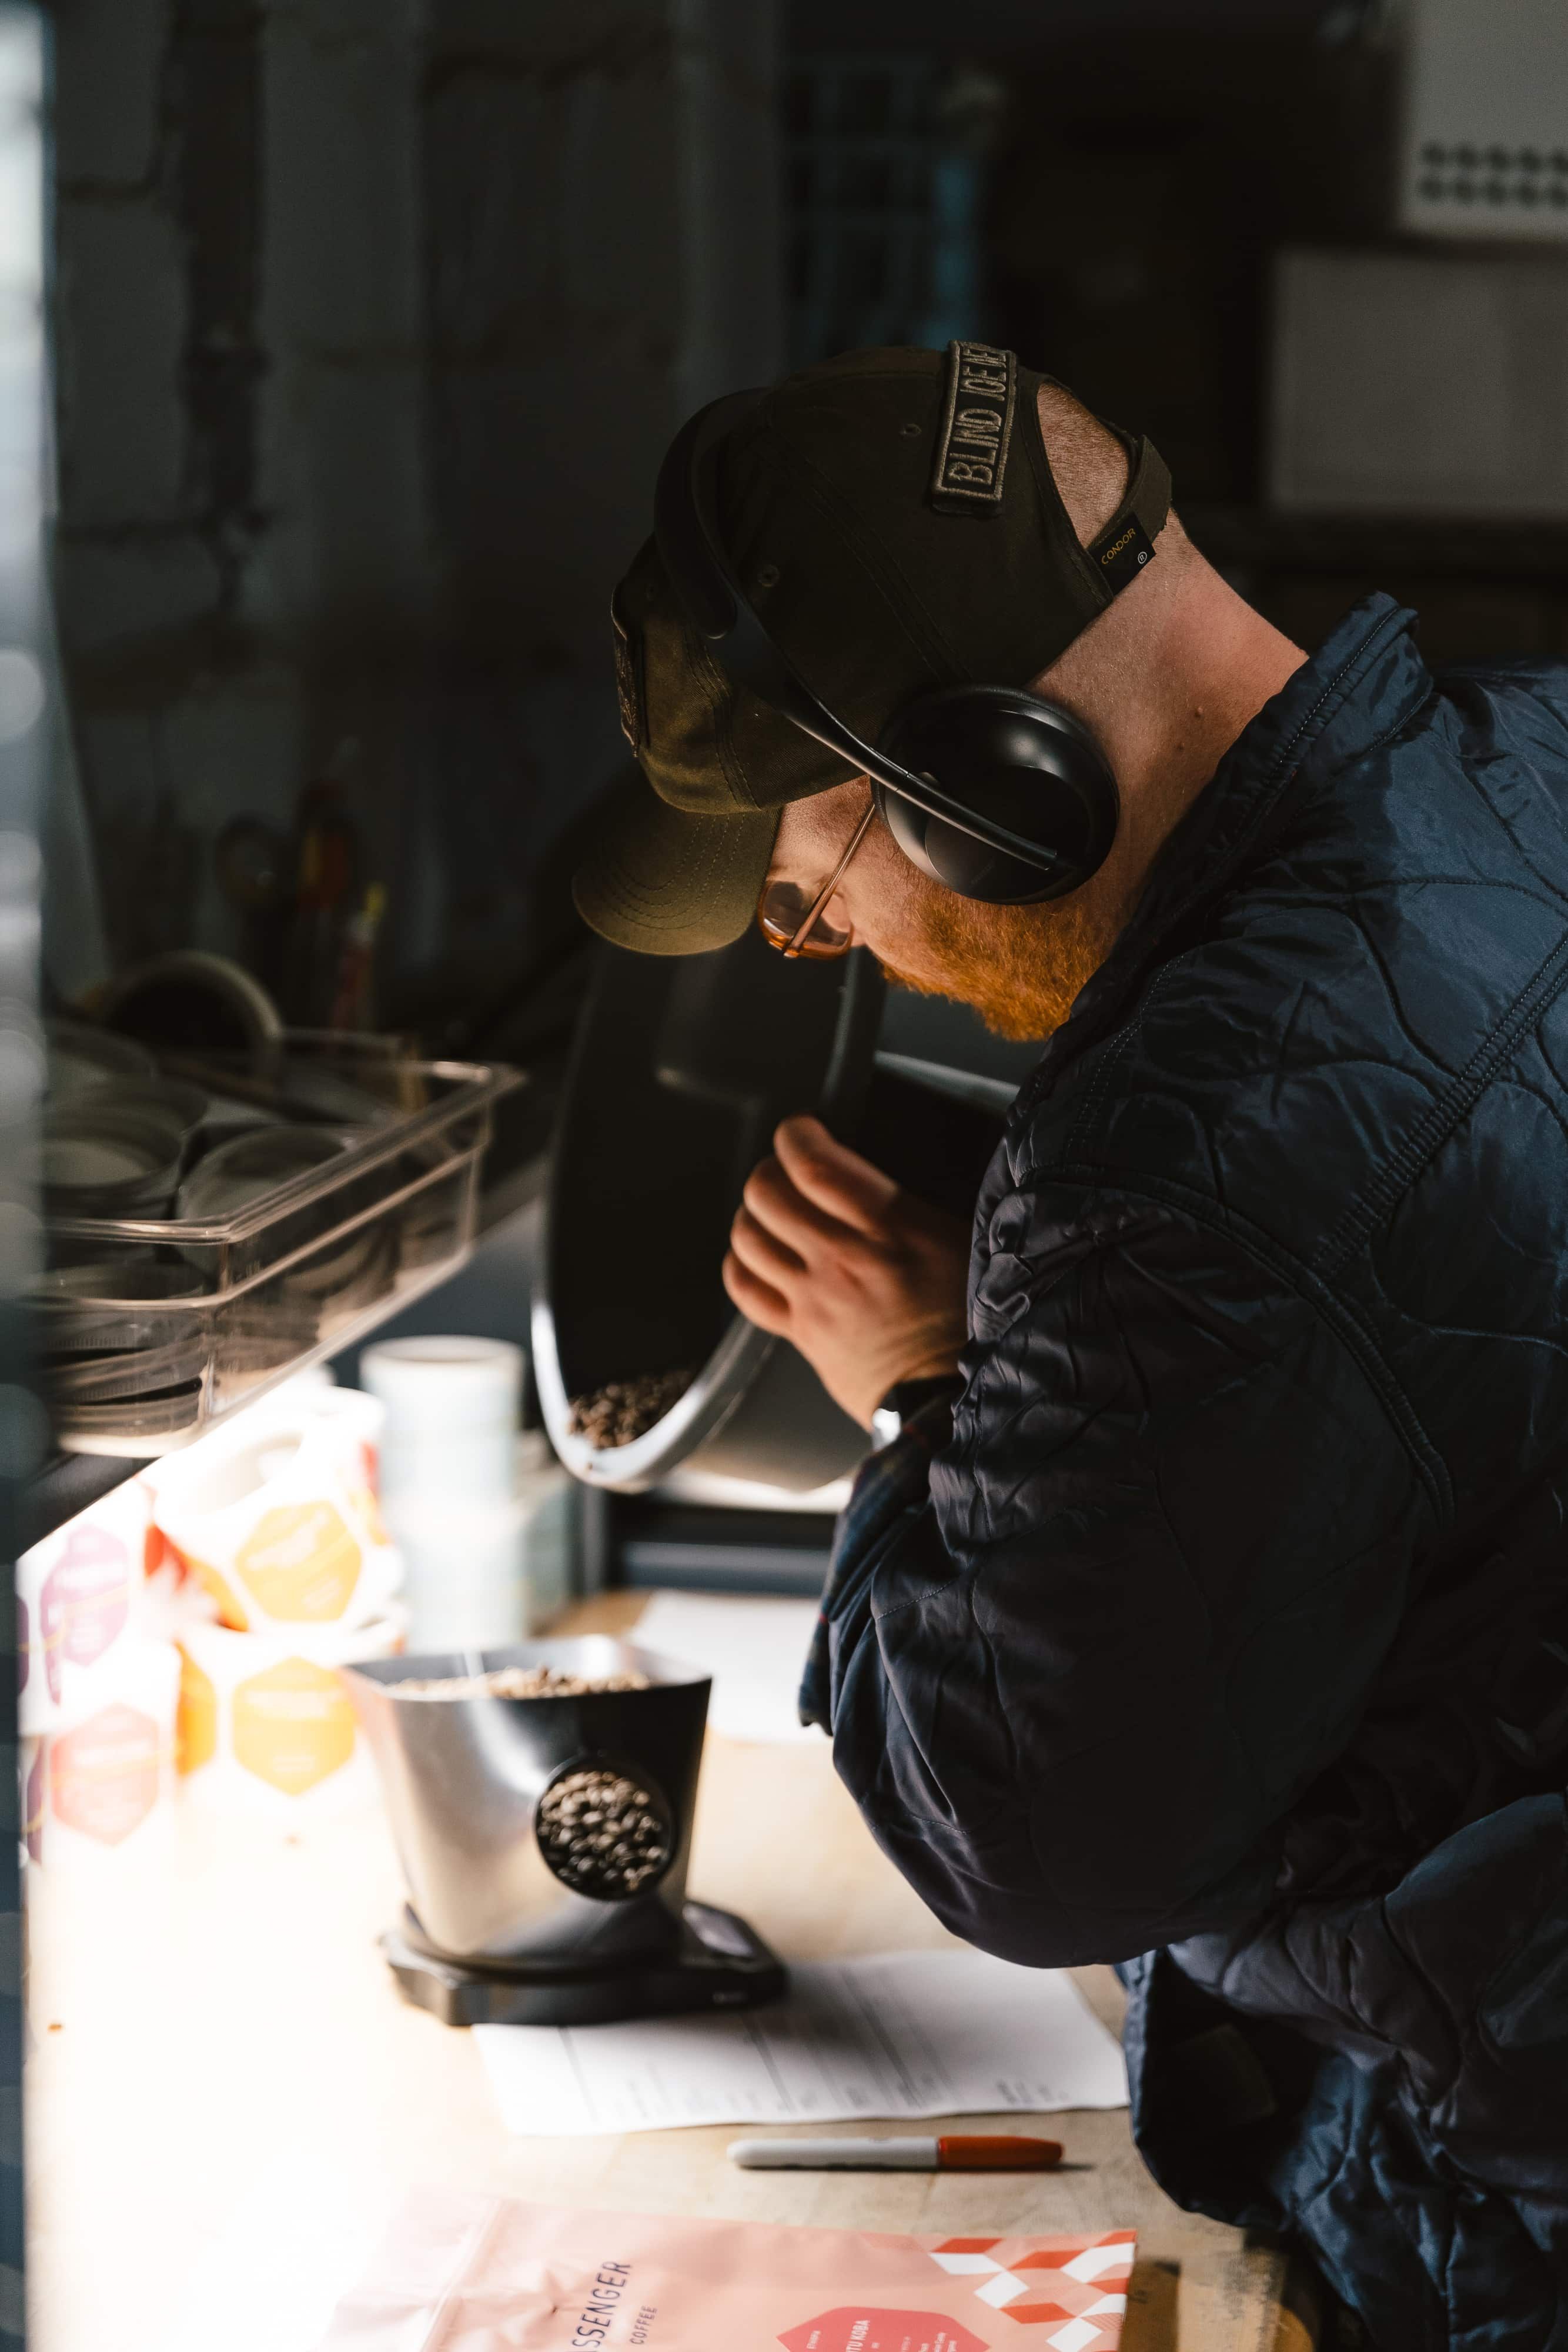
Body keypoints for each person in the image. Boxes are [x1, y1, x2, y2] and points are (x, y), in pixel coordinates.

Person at [573, 344, 1568, 2349]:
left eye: (814, 889)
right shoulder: (1533, 755)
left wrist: (922, 1378)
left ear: (990, 789)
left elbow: (1032, 1844)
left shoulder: (1188, 1154)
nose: (837, 942)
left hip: (1500, 2203)